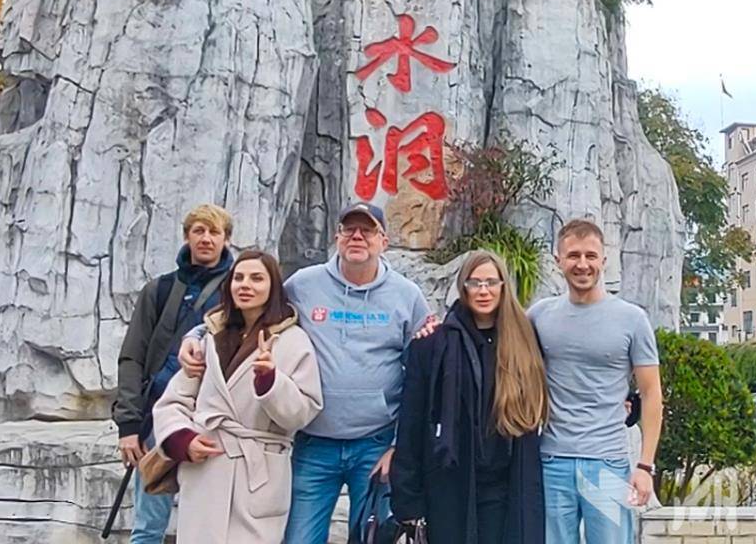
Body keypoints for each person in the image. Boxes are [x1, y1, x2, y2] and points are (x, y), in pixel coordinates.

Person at [180, 202, 433, 544]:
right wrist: (196, 335)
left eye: (367, 230)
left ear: (383, 241)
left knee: (373, 537)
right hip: (314, 441)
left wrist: (400, 446)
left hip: (375, 443)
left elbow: (422, 371)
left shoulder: (407, 295)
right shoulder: (304, 284)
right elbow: (250, 311)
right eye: (349, 229)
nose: (357, 236)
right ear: (337, 237)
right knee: (299, 537)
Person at [152, 250, 323, 544]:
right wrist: (183, 439)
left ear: (273, 286)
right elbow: (174, 401)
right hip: (206, 468)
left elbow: (303, 411)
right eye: (239, 278)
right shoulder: (210, 337)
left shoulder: (294, 341)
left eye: (257, 278)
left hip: (257, 472)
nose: (245, 285)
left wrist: (270, 381)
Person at [391, 249, 547, 544]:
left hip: (507, 487)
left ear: (503, 286)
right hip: (451, 485)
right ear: (463, 287)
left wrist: (628, 401)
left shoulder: (525, 343)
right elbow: (412, 423)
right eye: (475, 283)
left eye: (491, 282)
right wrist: (407, 499)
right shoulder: (432, 346)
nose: (483, 291)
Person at [527, 219, 663, 544]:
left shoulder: (632, 319)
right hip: (552, 461)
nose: (582, 264)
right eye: (573, 255)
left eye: (590, 255)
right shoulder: (538, 316)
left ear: (603, 260)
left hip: (608, 463)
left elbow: (651, 393)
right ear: (558, 260)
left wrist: (645, 466)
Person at [113, 203, 234, 544]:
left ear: (226, 239)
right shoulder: (160, 290)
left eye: (214, 232)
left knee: (211, 525)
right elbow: (132, 357)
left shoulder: (238, 290)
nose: (206, 239)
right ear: (186, 236)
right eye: (199, 231)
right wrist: (129, 425)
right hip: (159, 418)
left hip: (214, 418)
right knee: (149, 525)